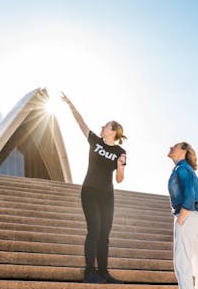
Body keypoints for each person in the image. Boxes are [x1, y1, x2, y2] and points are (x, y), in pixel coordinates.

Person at [61, 92, 126, 284]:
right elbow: (81, 123)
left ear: (113, 130)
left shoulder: (120, 152)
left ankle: (104, 273)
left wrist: (121, 166)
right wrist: (70, 104)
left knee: (104, 234)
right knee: (94, 229)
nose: (102, 127)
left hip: (107, 195)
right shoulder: (95, 142)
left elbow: (120, 179)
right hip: (89, 191)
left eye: (106, 126)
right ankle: (89, 271)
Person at [167, 142, 198, 289]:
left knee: (182, 261)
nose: (171, 147)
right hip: (196, 218)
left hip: (187, 215)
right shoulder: (186, 168)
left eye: (175, 146)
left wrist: (181, 217)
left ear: (183, 151)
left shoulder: (182, 168)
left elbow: (189, 194)